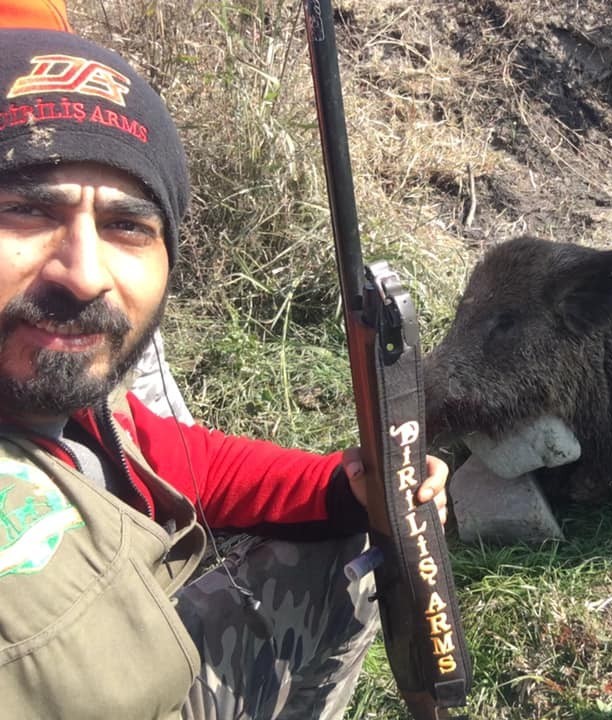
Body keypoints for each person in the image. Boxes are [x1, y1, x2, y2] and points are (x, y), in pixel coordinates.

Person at [0, 20, 450, 720]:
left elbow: (185, 463)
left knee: (355, 544)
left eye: (127, 226)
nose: (84, 274)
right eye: (25, 211)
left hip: (151, 660)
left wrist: (347, 489)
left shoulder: (72, 404)